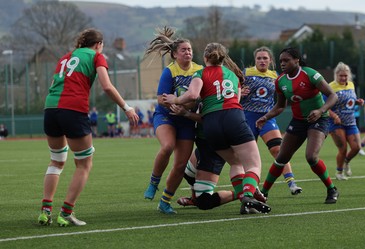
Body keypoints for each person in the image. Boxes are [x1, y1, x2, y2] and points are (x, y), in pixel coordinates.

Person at [37, 28, 139, 227]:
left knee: (56, 161)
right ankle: (66, 213)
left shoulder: (65, 58)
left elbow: (54, 83)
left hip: (51, 108)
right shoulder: (97, 56)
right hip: (73, 109)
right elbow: (107, 86)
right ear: (98, 44)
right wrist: (126, 107)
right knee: (84, 164)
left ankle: (45, 211)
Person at [163, 42, 271, 214]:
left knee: (235, 162)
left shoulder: (200, 73)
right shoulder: (233, 76)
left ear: (205, 58)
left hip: (211, 124)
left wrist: (174, 99)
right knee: (252, 164)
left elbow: (192, 95)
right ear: (223, 58)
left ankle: (245, 199)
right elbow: (234, 100)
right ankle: (248, 194)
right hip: (232, 118)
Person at [256, 47, 339, 204]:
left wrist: (321, 111)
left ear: (297, 60)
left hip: (319, 120)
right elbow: (280, 106)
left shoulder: (310, 74)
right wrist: (266, 117)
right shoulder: (280, 81)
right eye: (281, 61)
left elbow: (333, 96)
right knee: (281, 157)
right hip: (298, 121)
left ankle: (332, 189)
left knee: (311, 157)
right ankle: (263, 193)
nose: (282, 63)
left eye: (286, 60)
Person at [142, 27, 202, 214]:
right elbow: (161, 98)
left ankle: (165, 201)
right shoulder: (170, 71)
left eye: (190, 49)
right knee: (167, 146)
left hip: (186, 120)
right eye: (184, 50)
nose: (188, 52)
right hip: (166, 115)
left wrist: (188, 108)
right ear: (175, 54)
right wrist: (175, 105)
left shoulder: (200, 70)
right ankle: (154, 182)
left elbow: (202, 96)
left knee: (181, 165)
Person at [241, 46, 302, 196]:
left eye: (265, 58)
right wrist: (240, 92)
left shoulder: (276, 76)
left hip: (267, 118)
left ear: (270, 61)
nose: (262, 61)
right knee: (248, 156)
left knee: (278, 150)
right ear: (254, 60)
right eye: (259, 58)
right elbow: (232, 93)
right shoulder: (245, 74)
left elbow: (283, 97)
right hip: (248, 117)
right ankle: (250, 188)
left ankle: (291, 182)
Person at [326, 62, 364, 180]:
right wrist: (334, 116)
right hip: (336, 123)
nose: (343, 78)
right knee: (343, 148)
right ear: (336, 75)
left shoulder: (351, 85)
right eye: (341, 75)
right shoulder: (330, 87)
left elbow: (349, 101)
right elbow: (324, 106)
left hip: (350, 122)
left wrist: (357, 102)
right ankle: (339, 172)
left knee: (357, 147)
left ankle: (346, 161)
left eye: (345, 76)